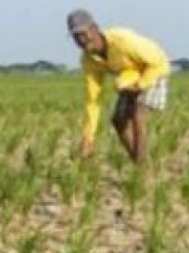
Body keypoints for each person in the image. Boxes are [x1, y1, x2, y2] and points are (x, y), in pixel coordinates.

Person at [66, 9, 170, 164]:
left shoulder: (123, 41)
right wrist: (88, 138)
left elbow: (158, 63)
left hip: (153, 69)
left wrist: (141, 86)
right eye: (76, 36)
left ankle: (142, 169)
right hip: (128, 77)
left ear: (95, 29)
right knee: (118, 120)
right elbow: (93, 101)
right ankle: (137, 161)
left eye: (83, 33)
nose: (81, 40)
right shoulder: (88, 60)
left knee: (138, 114)